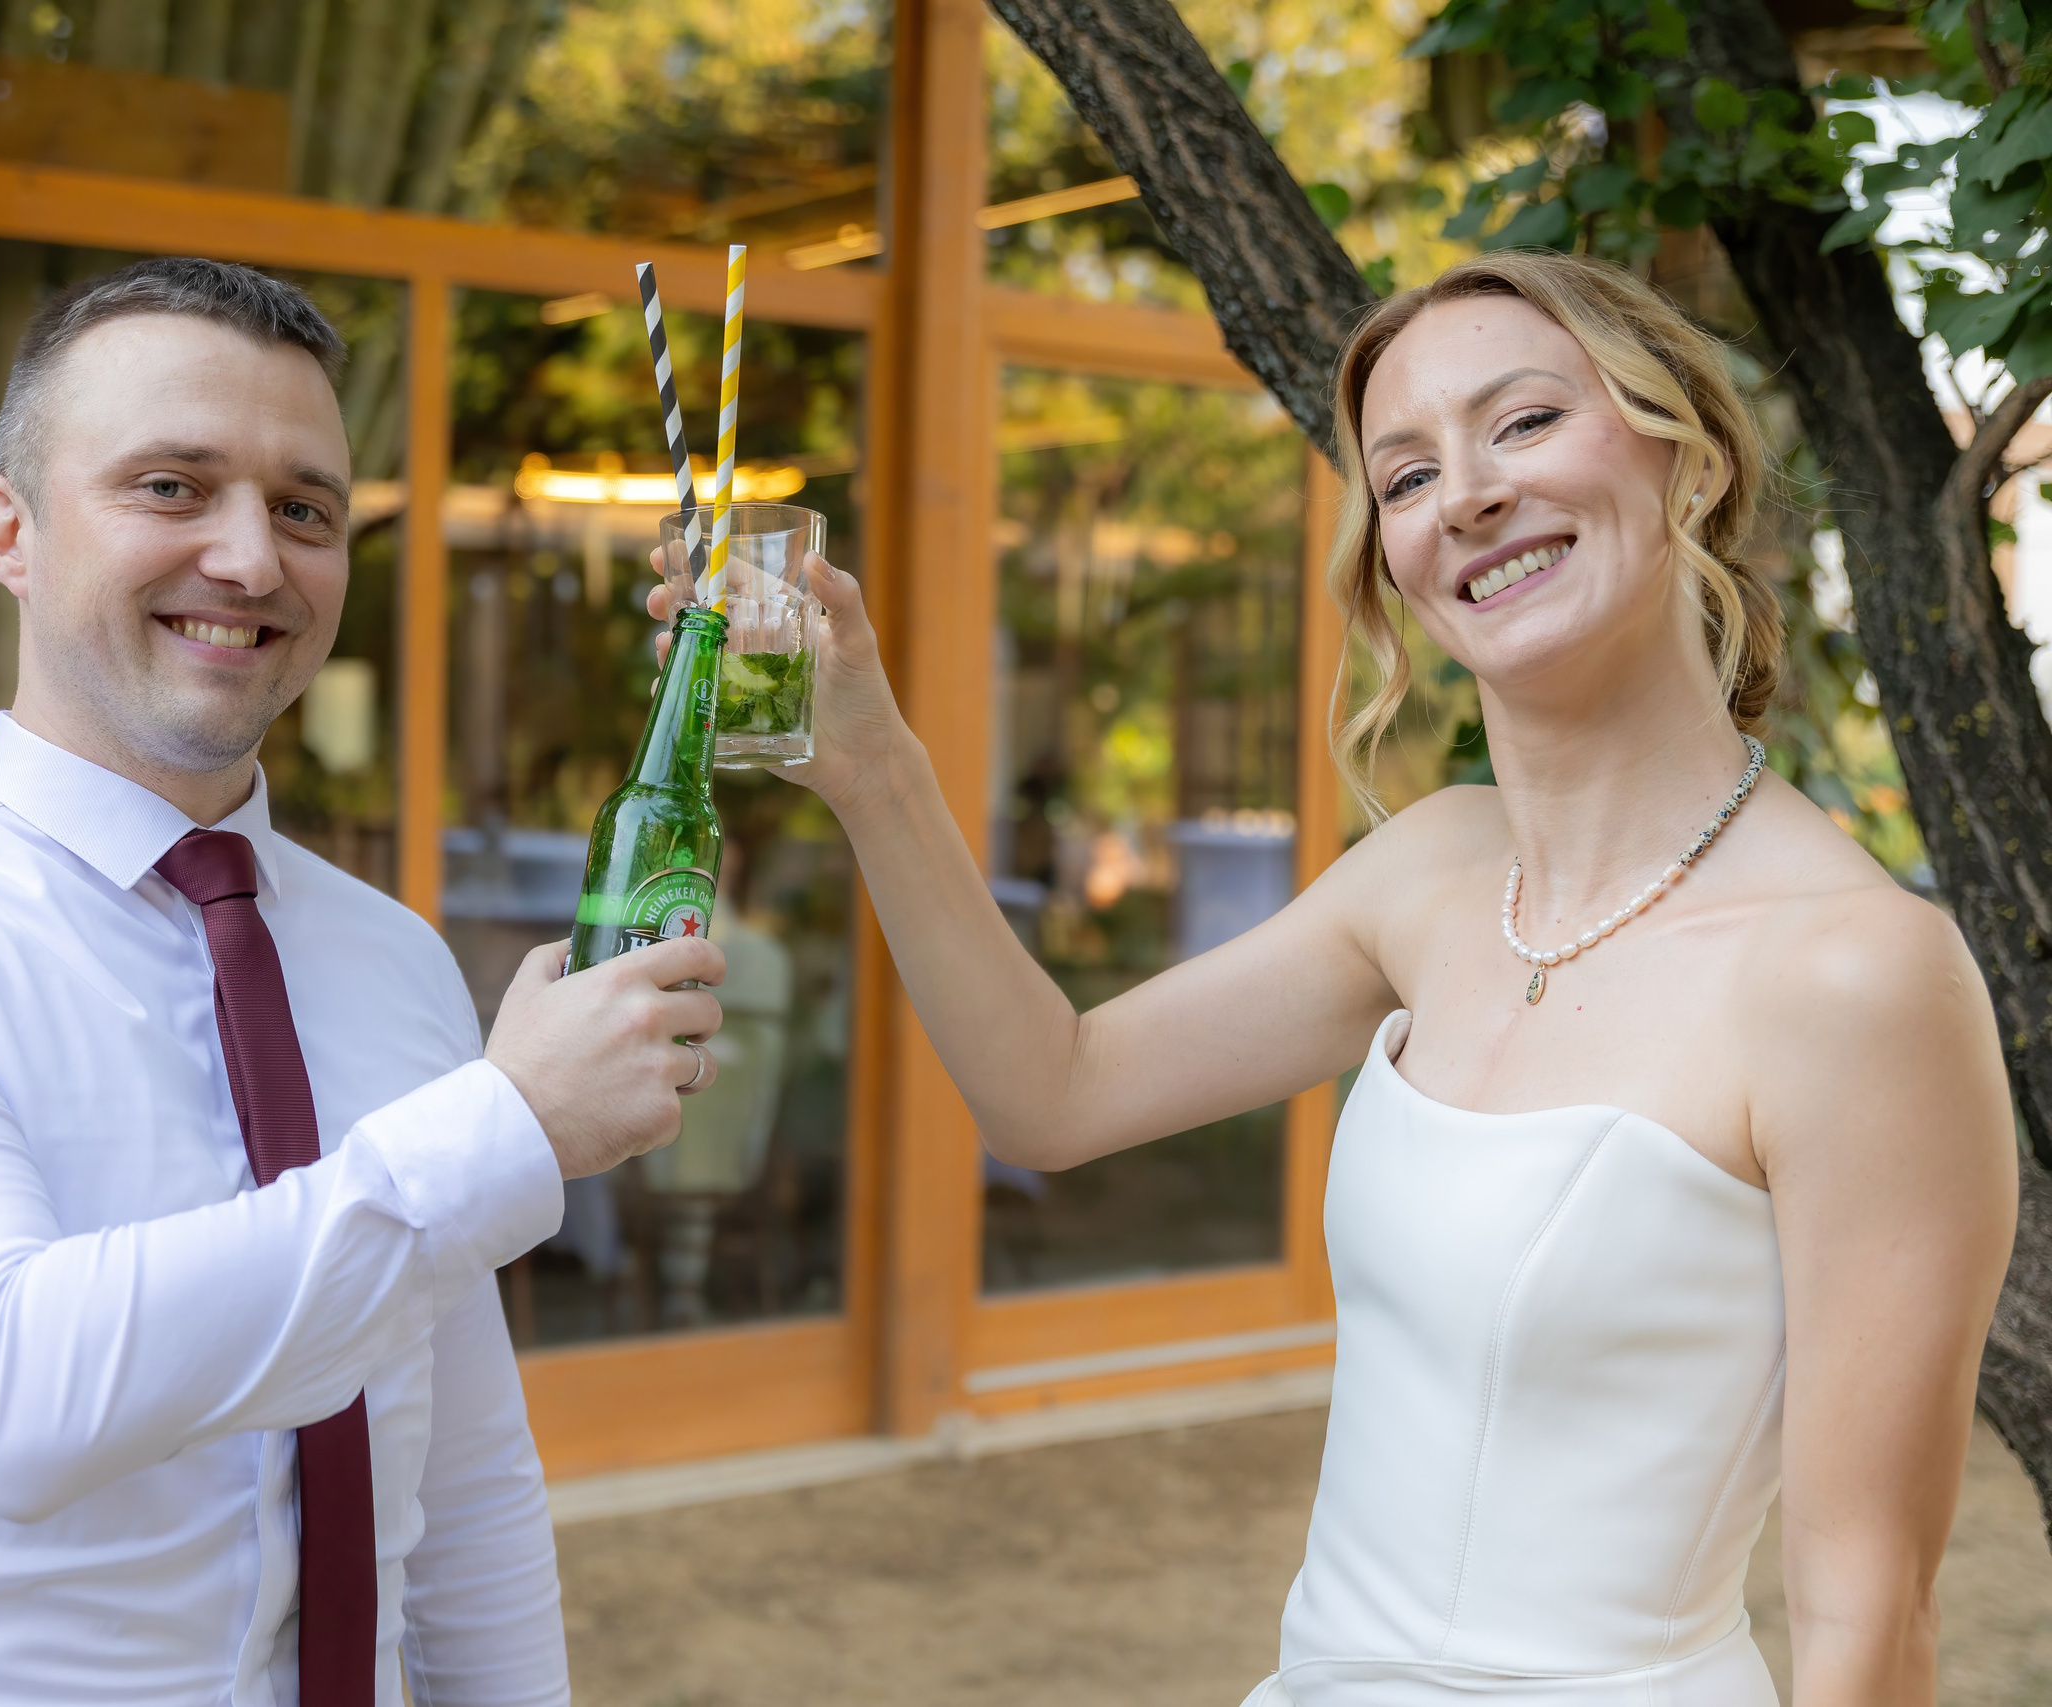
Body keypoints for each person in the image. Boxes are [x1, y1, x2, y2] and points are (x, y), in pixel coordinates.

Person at [664, 251, 2019, 1702]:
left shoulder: (1858, 974)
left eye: (1523, 423)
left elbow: (1870, 1616)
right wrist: (872, 768)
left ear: (1685, 459)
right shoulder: (1430, 873)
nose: (1471, 494)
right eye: (1409, 474)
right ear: (1394, 559)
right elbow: (1052, 1096)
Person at [0, 257, 725, 1707]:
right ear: (9, 532)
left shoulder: (392, 956)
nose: (250, 559)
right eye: (172, 486)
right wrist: (509, 1126)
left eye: (305, 509)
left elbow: (458, 1485)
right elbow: (3, 1389)